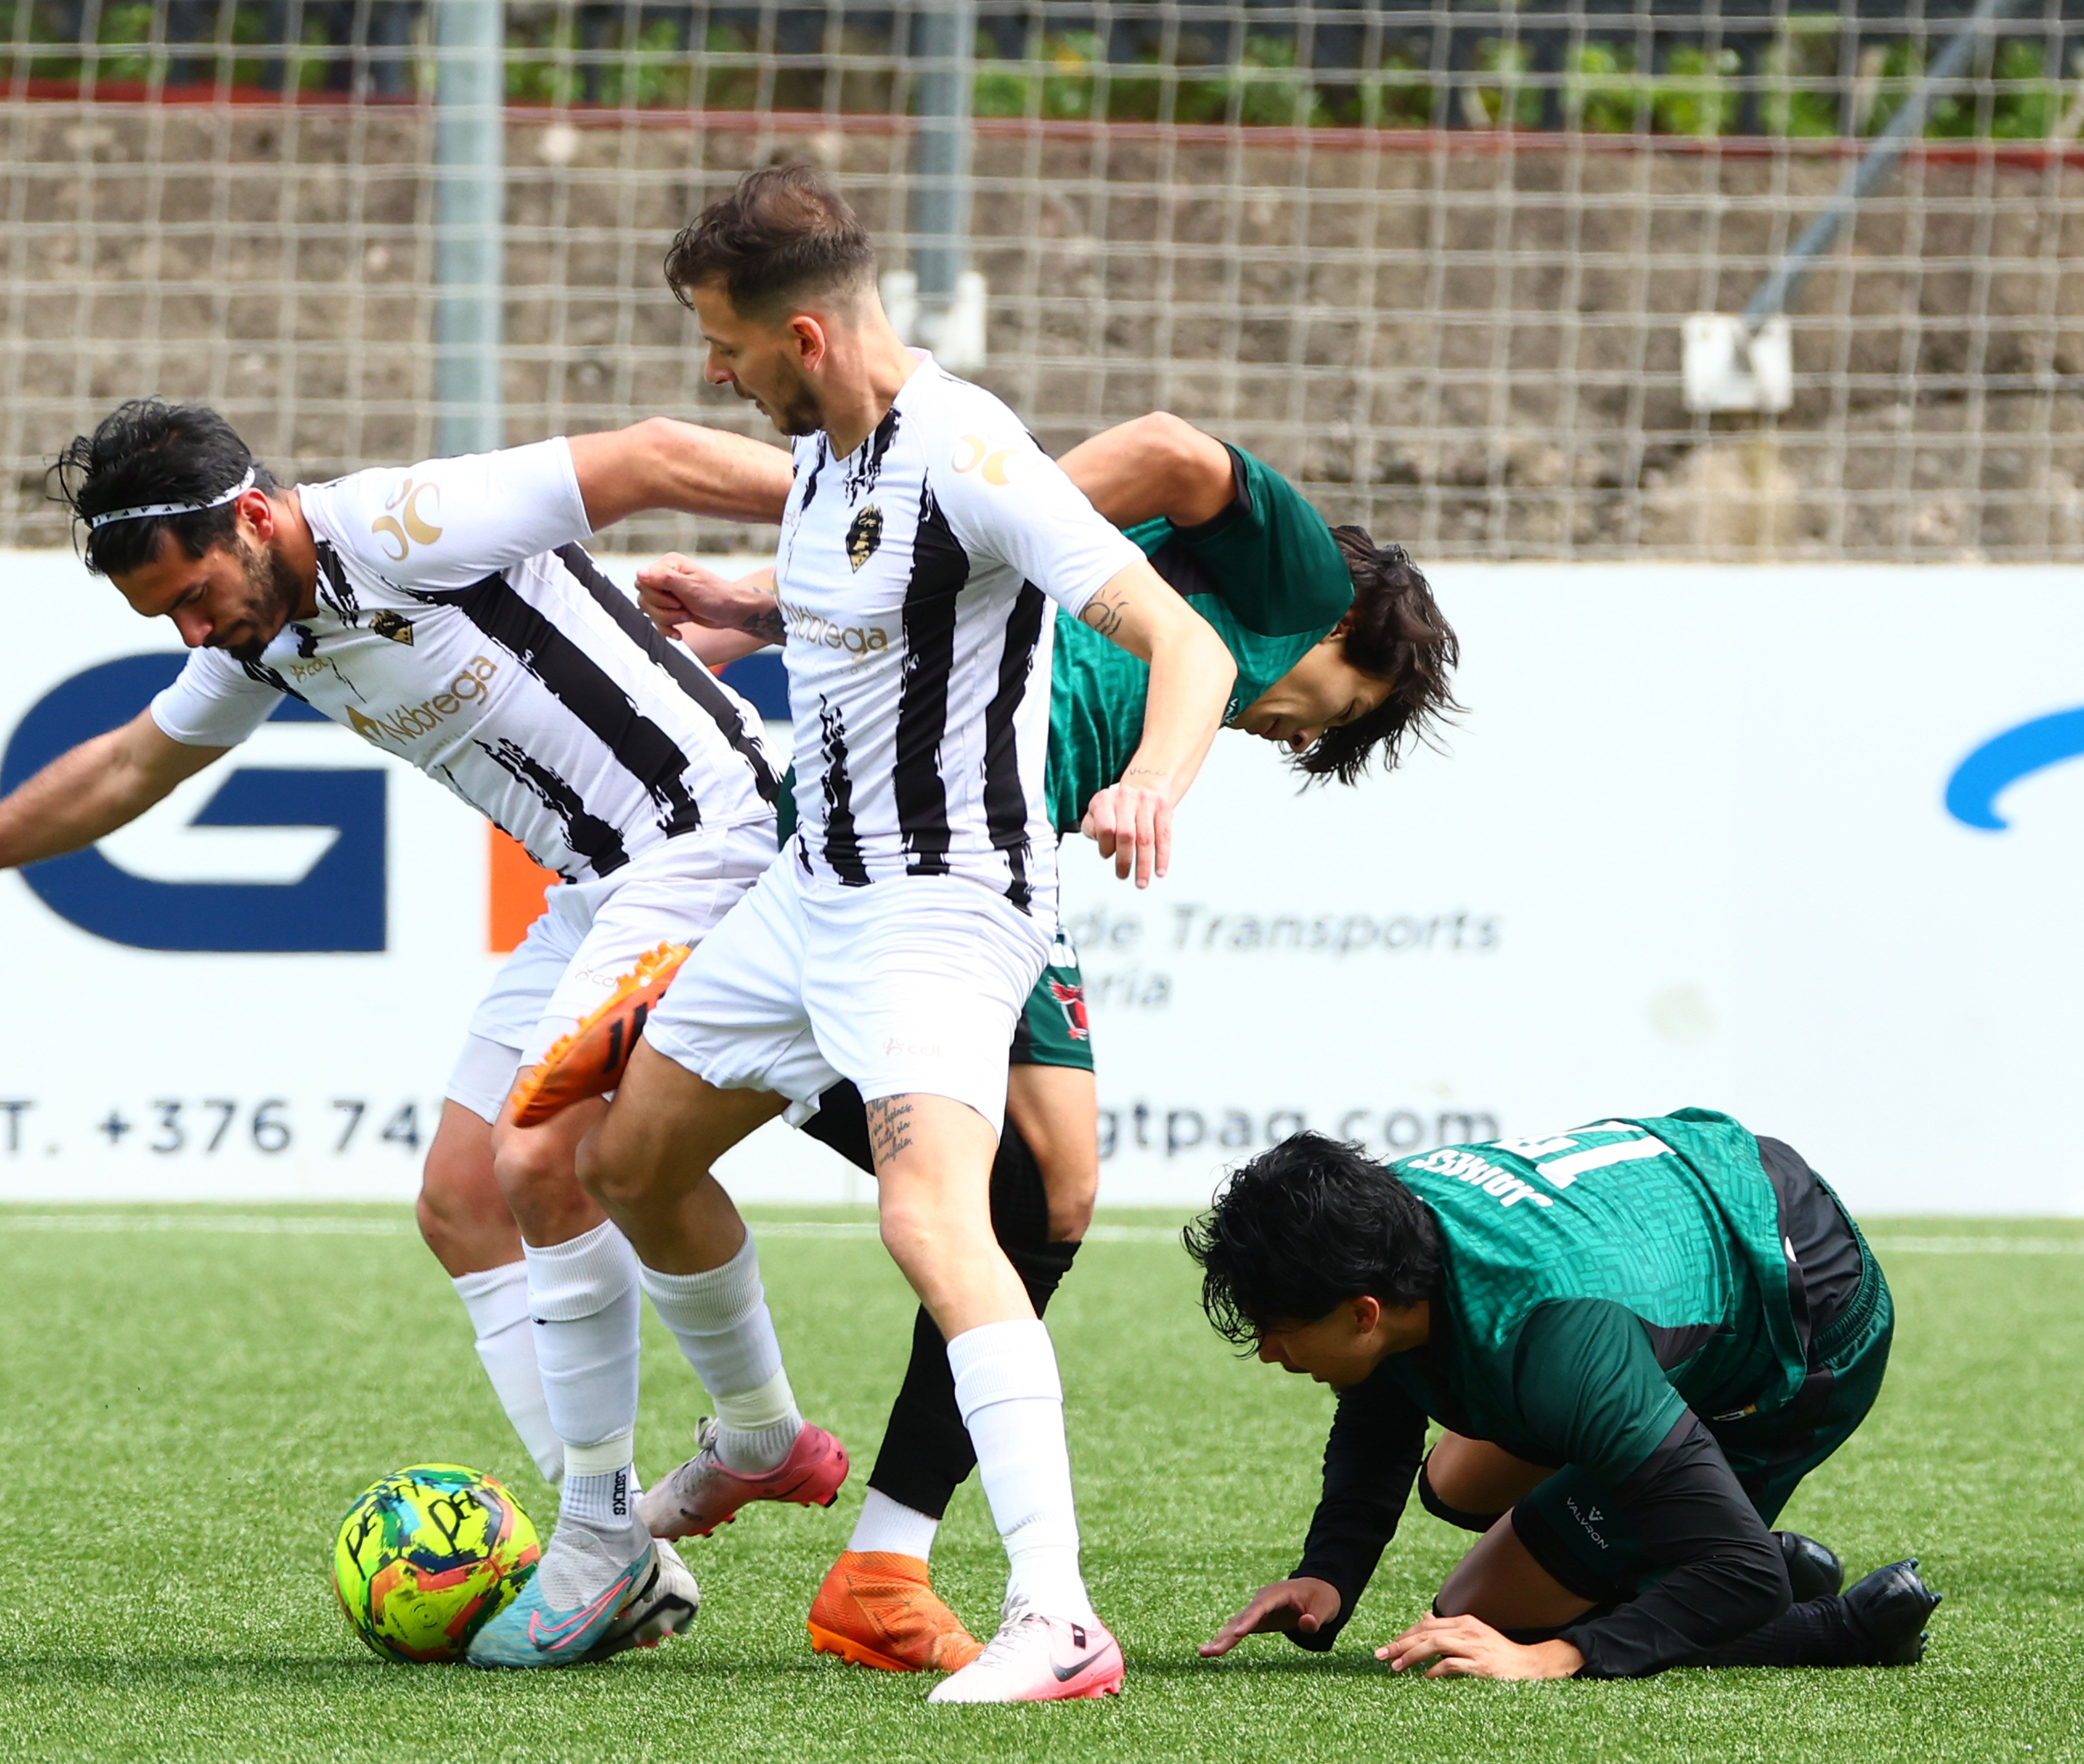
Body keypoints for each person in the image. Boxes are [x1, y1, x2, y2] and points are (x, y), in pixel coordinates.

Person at [0, 397, 803, 1663]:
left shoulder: (400, 525)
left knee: (544, 1149)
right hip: (595, 888)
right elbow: (124, 771)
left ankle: (615, 1535)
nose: (193, 629)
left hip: (710, 841)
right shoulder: (262, 638)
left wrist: (859, 515)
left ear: (255, 517)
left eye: (196, 593)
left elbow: (653, 454)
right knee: (462, 1199)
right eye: (163, 618)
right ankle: (620, 1539)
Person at [522, 162, 1231, 1703]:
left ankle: (1057, 1616)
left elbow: (1185, 641)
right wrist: (742, 608)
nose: (714, 372)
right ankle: (763, 1440)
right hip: (804, 898)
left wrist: (1152, 786)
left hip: (940, 910)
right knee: (623, 1161)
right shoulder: (828, 455)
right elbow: (883, 600)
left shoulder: (969, 446)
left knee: (934, 1224)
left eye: (726, 345)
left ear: (810, 339)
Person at [635, 410, 1461, 1674]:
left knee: (1054, 1194)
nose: (1300, 737)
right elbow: (1171, 445)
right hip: (919, 845)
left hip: (990, 845)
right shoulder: (1292, 579)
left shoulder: (1146, 609)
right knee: (970, 1209)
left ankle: (883, 1564)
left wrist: (774, 608)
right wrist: (956, 536)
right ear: (1353, 629)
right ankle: (917, 1549)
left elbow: (922, 618)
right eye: (1333, 715)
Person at [1184, 1113, 1940, 1680]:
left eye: (1276, 1329)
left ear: (1362, 1312)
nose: (1269, 1352)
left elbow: (1742, 1575)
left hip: (1811, 1324)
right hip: (1704, 1209)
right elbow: (1382, 1387)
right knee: (1453, 1484)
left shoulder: (1561, 1351)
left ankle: (1847, 1628)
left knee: (1477, 1618)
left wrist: (1553, 1655)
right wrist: (1330, 1574)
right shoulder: (1386, 1221)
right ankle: (1666, 1542)